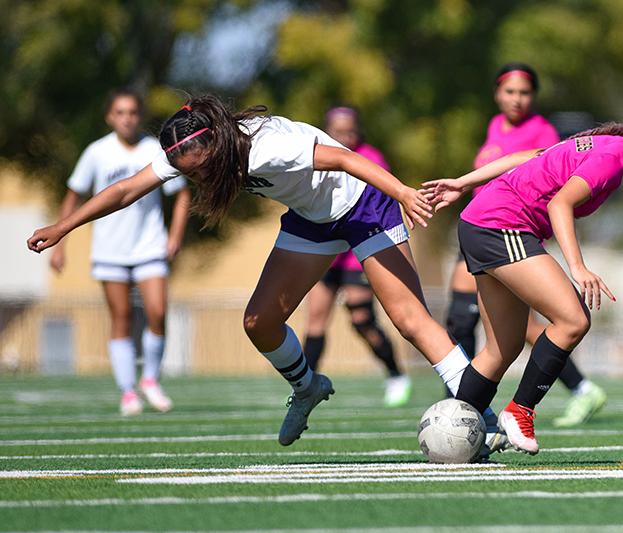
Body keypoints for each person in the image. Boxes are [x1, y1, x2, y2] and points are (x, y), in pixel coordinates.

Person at [28, 95, 504, 453]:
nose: (197, 180)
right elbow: (127, 189)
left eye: (201, 172)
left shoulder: (268, 144)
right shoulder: (184, 147)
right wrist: (64, 227)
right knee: (258, 323)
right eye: (188, 175)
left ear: (215, 143)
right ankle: (307, 387)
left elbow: (343, 158)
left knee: (409, 319)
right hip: (312, 220)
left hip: (365, 205)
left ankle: (485, 417)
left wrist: (401, 191)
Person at [423, 118, 623, 454]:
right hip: (501, 224)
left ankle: (454, 433)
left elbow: (528, 157)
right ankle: (519, 411)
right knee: (574, 320)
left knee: (502, 349)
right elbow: (560, 204)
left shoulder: (605, 147)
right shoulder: (610, 159)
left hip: (482, 223)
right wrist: (578, 267)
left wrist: (463, 183)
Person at [444, 63, 606, 427]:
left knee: (524, 330)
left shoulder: (542, 130)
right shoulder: (493, 127)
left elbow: (543, 172)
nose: (517, 99)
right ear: (497, 93)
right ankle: (459, 411)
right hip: (481, 222)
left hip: (509, 228)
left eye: (525, 92)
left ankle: (578, 388)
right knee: (464, 319)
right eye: (510, 91)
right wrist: (463, 184)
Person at [48, 88, 190, 416]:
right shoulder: (96, 153)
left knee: (157, 312)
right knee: (121, 318)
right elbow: (74, 195)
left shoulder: (156, 149)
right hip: (110, 250)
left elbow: (181, 195)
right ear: (110, 117)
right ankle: (128, 392)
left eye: (133, 113)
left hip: (149, 246)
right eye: (120, 113)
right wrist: (62, 240)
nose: (127, 119)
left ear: (140, 116)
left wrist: (176, 235)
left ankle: (150, 380)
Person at [303, 106, 411, 407]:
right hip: (326, 250)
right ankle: (304, 388)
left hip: (356, 251)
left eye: (349, 130)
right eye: (337, 131)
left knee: (361, 317)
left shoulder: (371, 157)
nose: (344, 136)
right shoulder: (316, 156)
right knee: (315, 321)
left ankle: (395, 373)